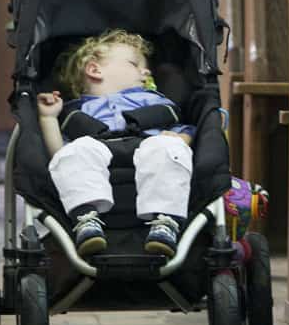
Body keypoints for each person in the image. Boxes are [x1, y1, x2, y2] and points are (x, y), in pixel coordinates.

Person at [36, 29, 195, 259]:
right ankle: (86, 219)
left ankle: (165, 221)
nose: (146, 71)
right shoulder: (77, 113)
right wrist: (48, 118)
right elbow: (61, 154)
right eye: (134, 64)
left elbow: (185, 130)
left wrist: (181, 139)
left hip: (149, 149)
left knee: (169, 148)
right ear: (94, 70)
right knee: (75, 152)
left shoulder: (157, 102)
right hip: (97, 153)